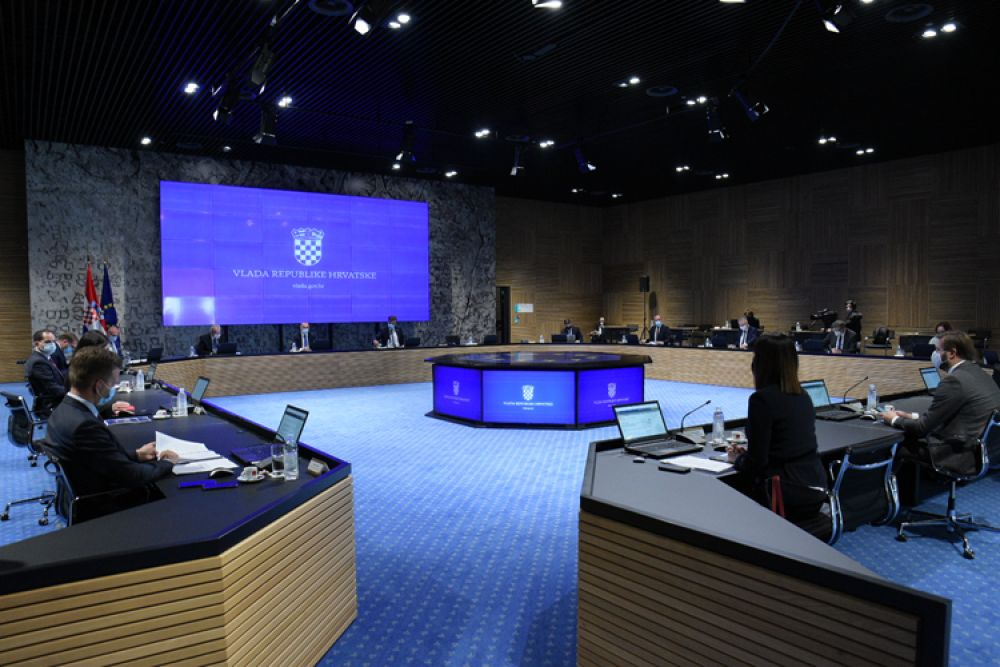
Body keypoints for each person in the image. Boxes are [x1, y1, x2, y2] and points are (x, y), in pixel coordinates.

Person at [45, 346, 178, 519]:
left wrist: (137, 454)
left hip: (83, 490)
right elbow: (132, 476)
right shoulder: (85, 426)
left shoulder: (64, 410)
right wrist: (167, 463)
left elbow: (100, 457)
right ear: (99, 386)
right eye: (114, 383)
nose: (114, 388)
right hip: (103, 504)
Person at [727, 334, 828, 520]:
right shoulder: (803, 396)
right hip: (814, 489)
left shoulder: (762, 400)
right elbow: (783, 445)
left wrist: (738, 459)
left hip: (783, 494)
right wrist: (748, 454)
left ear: (761, 364)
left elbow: (758, 463)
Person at [883, 331, 1000, 475]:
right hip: (985, 449)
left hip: (957, 454)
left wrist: (894, 419)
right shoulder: (979, 373)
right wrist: (911, 416)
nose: (935, 354)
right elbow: (950, 415)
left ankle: (888, 488)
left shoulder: (954, 381)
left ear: (952, 353)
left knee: (897, 445)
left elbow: (922, 429)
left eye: (938, 350)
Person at [24, 329, 67, 418]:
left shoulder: (44, 357)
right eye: (48, 342)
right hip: (50, 404)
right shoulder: (38, 362)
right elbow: (52, 388)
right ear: (37, 344)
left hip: (53, 399)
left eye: (53, 341)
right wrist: (73, 392)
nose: (52, 344)